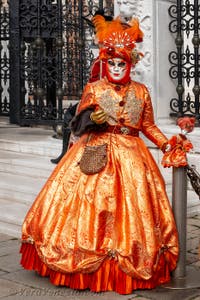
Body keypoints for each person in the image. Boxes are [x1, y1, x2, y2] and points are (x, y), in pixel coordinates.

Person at [20, 15, 179, 295]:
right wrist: (93, 117)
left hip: (132, 156)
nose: (117, 68)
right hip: (95, 152)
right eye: (112, 63)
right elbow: (78, 124)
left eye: (122, 64)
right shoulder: (94, 88)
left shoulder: (141, 92)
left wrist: (167, 145)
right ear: (105, 64)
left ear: (130, 64)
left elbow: (148, 125)